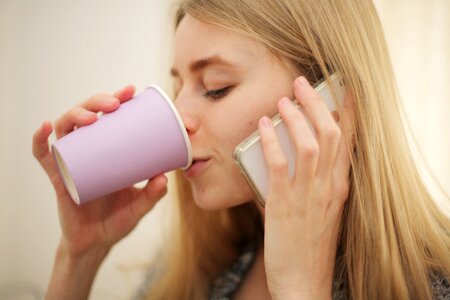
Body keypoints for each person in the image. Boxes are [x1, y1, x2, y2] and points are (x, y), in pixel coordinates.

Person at [32, 0, 450, 299]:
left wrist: (301, 290)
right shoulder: (191, 272)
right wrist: (79, 258)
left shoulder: (434, 285)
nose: (178, 116)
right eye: (177, 88)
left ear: (330, 101)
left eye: (216, 87)